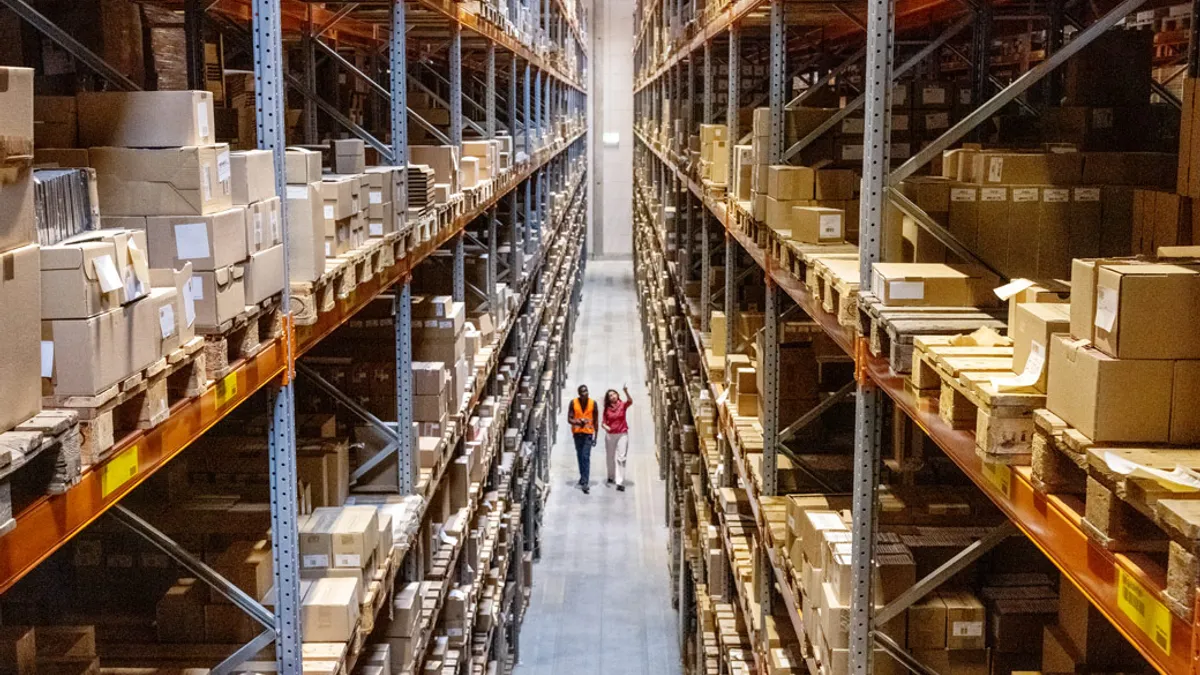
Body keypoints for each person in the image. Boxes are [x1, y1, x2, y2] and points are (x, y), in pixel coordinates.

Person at [602, 385, 633, 491]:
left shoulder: (622, 405)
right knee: (610, 457)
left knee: (621, 458)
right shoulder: (607, 408)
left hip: (622, 433)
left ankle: (620, 482)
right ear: (608, 399)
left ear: (618, 395)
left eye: (614, 394)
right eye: (610, 395)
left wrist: (626, 391)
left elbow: (630, 401)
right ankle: (611, 476)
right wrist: (606, 427)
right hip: (610, 435)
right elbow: (603, 423)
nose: (613, 396)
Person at [568, 384, 598, 494]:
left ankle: (585, 482)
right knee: (580, 456)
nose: (585, 394)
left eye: (586, 391)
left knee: (586, 457)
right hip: (577, 434)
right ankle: (582, 477)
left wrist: (596, 436)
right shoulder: (573, 403)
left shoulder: (593, 403)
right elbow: (569, 419)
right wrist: (578, 422)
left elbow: (595, 421)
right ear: (579, 394)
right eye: (582, 392)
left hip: (588, 435)